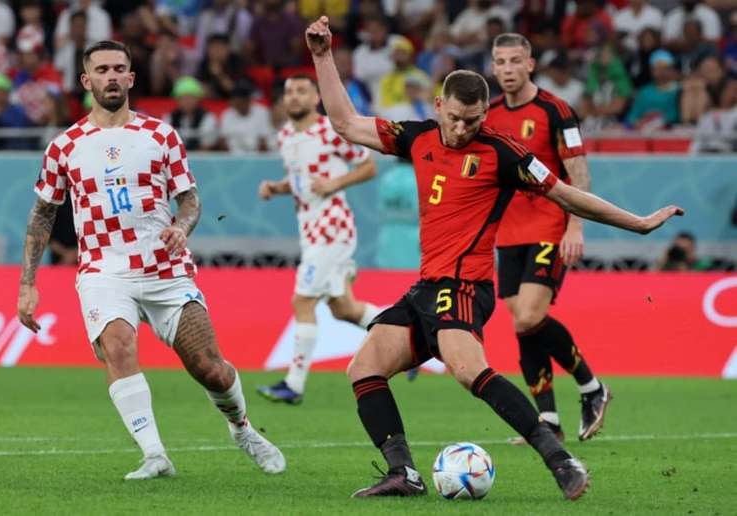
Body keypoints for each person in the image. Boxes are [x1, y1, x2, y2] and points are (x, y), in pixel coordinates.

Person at [305, 15, 683, 500]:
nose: (463, 129)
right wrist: (322, 56)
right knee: (363, 369)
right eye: (455, 118)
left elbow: (567, 194)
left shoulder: (505, 154)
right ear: (439, 106)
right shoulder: (417, 137)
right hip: (425, 286)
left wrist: (639, 222)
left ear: (486, 114)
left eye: (474, 120)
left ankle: (560, 459)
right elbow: (344, 122)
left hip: (464, 287)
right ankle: (404, 473)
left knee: (468, 371)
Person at [16, 40, 285, 480]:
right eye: (101, 70)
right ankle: (155, 454)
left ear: (131, 78)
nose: (111, 76)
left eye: (119, 68)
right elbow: (43, 212)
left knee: (210, 368)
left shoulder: (161, 135)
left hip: (165, 269)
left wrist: (181, 227)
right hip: (104, 271)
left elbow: (191, 200)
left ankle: (242, 428)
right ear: (86, 81)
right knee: (119, 348)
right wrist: (28, 283)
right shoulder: (64, 146)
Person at [486, 32, 610, 445]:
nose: (507, 69)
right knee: (524, 325)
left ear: (530, 64)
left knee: (528, 317)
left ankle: (592, 387)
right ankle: (550, 421)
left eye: (514, 61)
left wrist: (576, 224)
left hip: (549, 224)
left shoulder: (556, 110)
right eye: (500, 62)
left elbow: (578, 172)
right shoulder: (489, 115)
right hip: (508, 232)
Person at [256, 75, 381, 404]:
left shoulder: (329, 131)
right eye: (289, 92)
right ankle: (410, 337)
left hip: (332, 226)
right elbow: (300, 181)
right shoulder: (285, 136)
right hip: (310, 229)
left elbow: (368, 167)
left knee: (303, 301)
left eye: (301, 91)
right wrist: (276, 187)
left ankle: (293, 385)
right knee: (344, 309)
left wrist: (334, 183)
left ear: (315, 98)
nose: (294, 97)